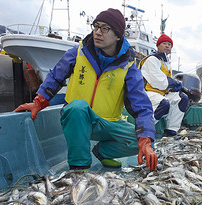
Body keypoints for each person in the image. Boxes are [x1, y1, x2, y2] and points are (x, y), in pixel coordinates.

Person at [14, 8, 157, 171]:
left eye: (105, 28)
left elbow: (142, 107)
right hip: (77, 119)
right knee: (77, 107)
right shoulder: (78, 52)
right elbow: (55, 76)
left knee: (144, 138)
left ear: (118, 35)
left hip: (107, 123)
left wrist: (145, 140)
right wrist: (38, 102)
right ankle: (79, 168)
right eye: (96, 26)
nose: (98, 32)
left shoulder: (129, 66)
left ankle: (103, 152)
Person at [138, 34, 189, 137]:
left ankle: (171, 130)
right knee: (163, 103)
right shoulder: (152, 59)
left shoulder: (165, 63)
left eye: (169, 44)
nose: (167, 46)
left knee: (182, 98)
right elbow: (159, 81)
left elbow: (165, 84)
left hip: (159, 93)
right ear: (158, 46)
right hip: (145, 93)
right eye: (164, 43)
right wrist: (175, 84)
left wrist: (176, 88)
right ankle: (143, 131)